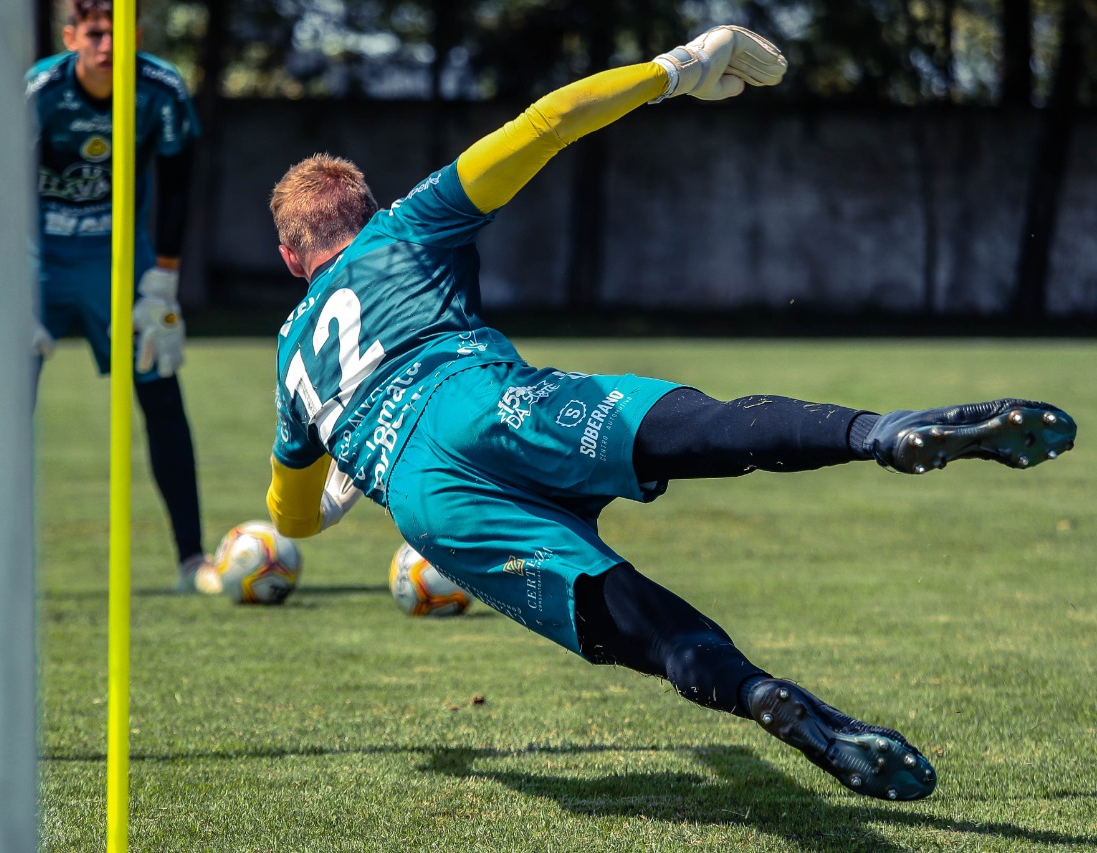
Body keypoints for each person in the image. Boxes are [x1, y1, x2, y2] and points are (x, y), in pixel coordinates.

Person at [262, 26, 1077, 801]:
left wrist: (336, 492)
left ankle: (755, 689)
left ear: (291, 258)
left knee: (640, 628)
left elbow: (290, 518)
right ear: (366, 210)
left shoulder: (290, 355)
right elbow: (546, 123)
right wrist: (677, 68)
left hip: (426, 500)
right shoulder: (404, 227)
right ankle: (882, 433)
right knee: (714, 429)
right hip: (485, 402)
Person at [27, 0, 209, 591]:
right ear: (71, 36)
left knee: (161, 392)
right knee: (0, 411)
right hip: (38, 258)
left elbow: (178, 184)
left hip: (118, 261)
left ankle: (192, 560)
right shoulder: (39, 91)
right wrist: (8, 285)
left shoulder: (160, 88)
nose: (108, 44)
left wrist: (163, 281)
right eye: (96, 32)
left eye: (119, 31)